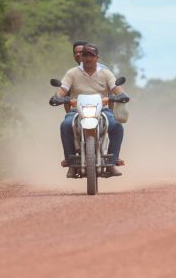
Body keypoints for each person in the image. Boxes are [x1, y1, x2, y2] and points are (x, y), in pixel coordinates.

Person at [53, 43, 126, 178]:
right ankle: (70, 163)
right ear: (81, 57)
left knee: (117, 126)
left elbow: (117, 89)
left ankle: (112, 162)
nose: (88, 58)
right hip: (76, 110)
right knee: (65, 125)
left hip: (103, 110)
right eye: (85, 55)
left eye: (91, 56)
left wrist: (120, 95)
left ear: (97, 58)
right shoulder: (72, 73)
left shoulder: (105, 73)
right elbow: (63, 89)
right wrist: (58, 97)